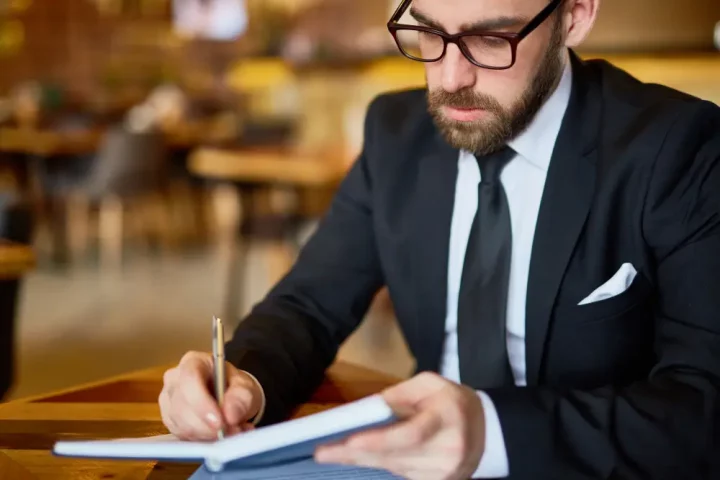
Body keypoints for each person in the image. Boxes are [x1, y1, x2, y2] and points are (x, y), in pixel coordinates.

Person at [159, 0, 720, 478]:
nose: (451, 79)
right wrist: (243, 381)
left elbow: (703, 406)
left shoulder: (677, 148)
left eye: (491, 38)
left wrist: (492, 435)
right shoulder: (394, 135)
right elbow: (308, 304)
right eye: (428, 32)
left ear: (574, 15)